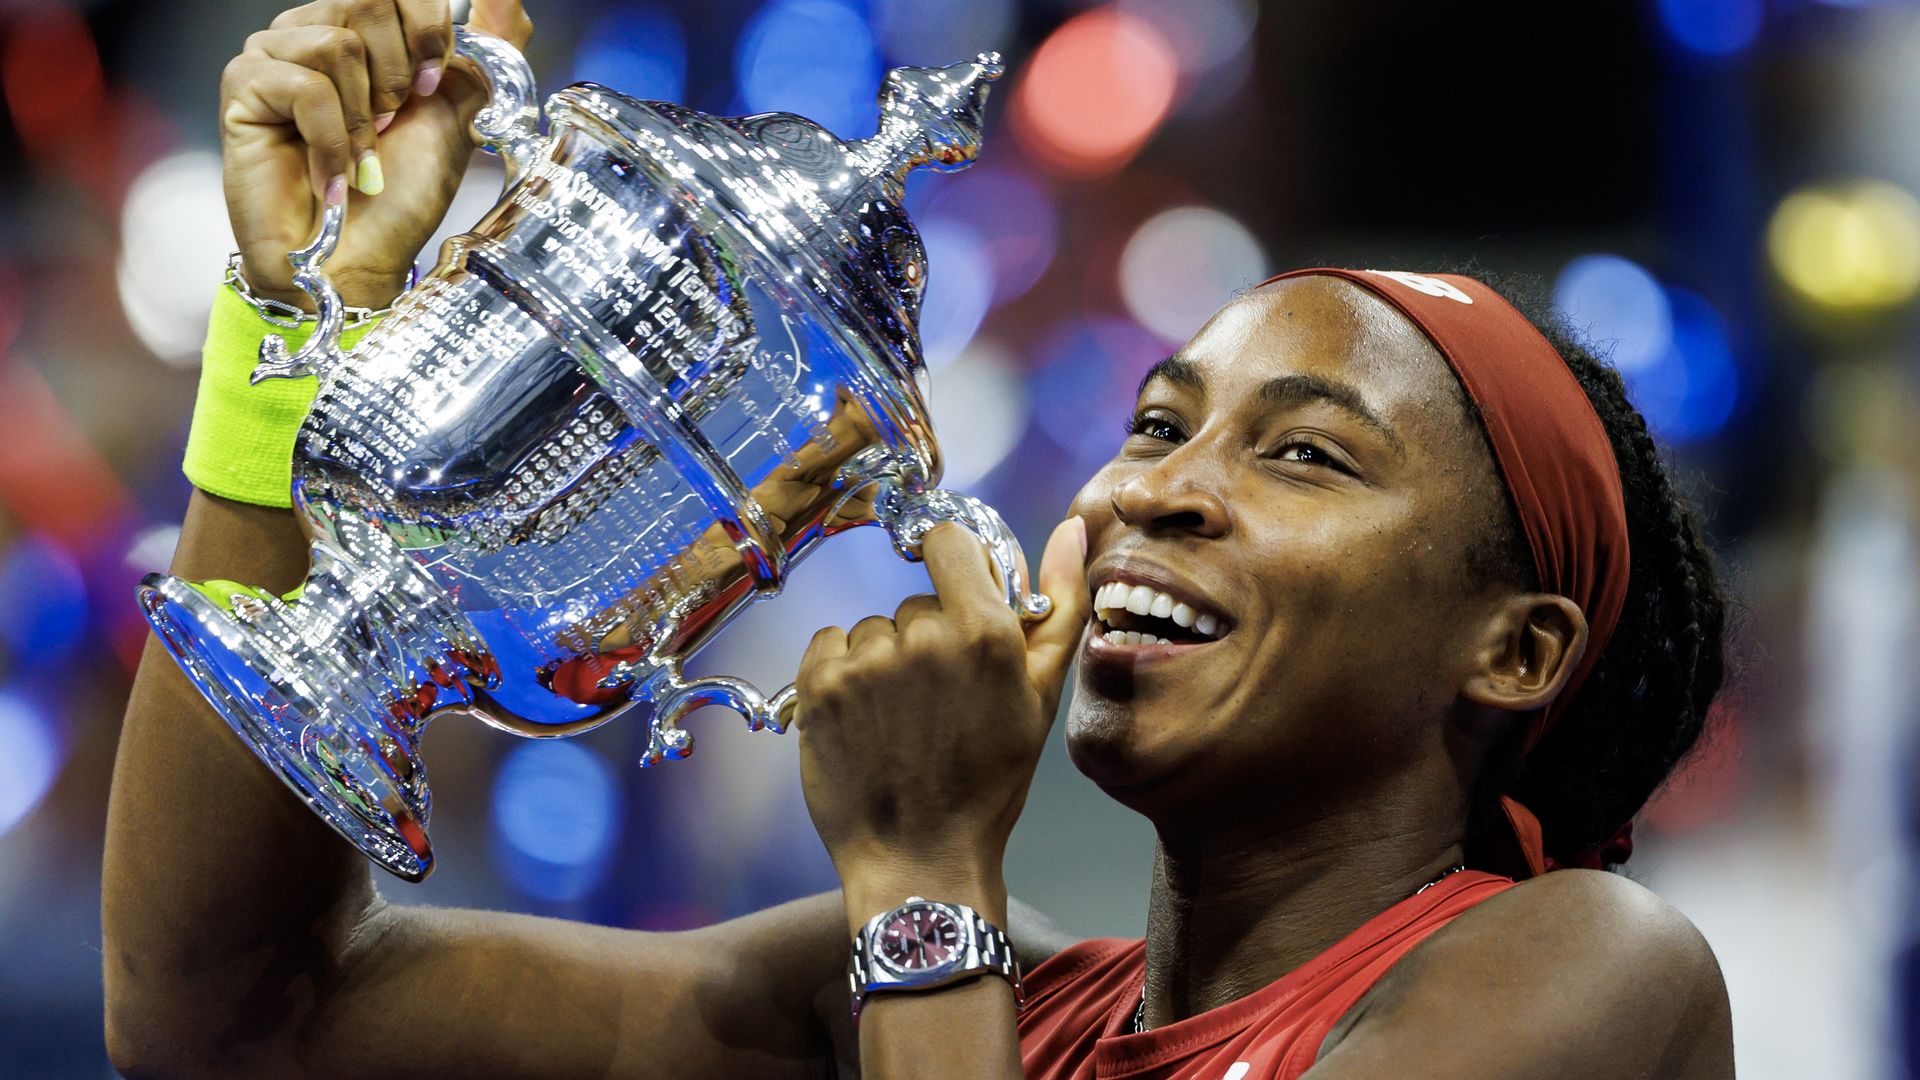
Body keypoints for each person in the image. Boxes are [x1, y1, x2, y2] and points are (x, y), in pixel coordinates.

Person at [102, 1, 1737, 1076]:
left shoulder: (1592, 973)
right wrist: (303, 327)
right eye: (1160, 426)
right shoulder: (933, 1000)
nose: (1153, 488)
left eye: (1307, 454)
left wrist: (920, 880)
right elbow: (230, 1014)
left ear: (1513, 650)